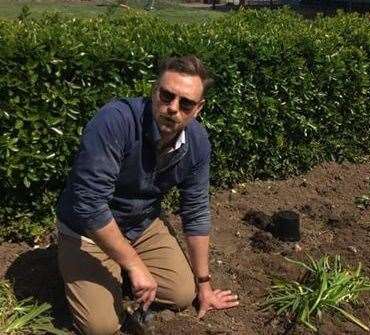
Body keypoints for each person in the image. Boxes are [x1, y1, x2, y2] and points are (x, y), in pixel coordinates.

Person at [56, 55, 239, 335]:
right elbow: (89, 204)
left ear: (198, 109)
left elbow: (196, 209)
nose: (173, 108)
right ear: (155, 91)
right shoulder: (115, 121)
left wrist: (204, 284)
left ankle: (119, 271)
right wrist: (134, 264)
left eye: (186, 103)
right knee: (100, 327)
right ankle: (79, 265)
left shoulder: (197, 142)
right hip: (87, 230)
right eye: (167, 95)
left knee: (181, 294)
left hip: (141, 223)